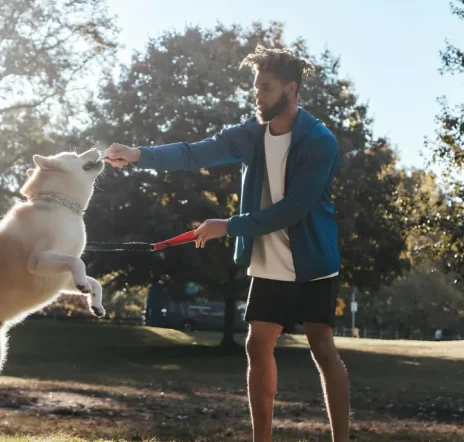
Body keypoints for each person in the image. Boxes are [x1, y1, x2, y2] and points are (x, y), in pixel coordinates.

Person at [104, 45, 350, 442]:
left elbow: (295, 208)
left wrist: (228, 225)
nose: (257, 95)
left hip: (313, 261)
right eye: (256, 88)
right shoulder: (250, 134)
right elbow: (193, 153)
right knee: (257, 345)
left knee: (322, 348)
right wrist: (137, 154)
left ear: (290, 89)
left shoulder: (319, 141)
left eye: (266, 88)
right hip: (269, 262)